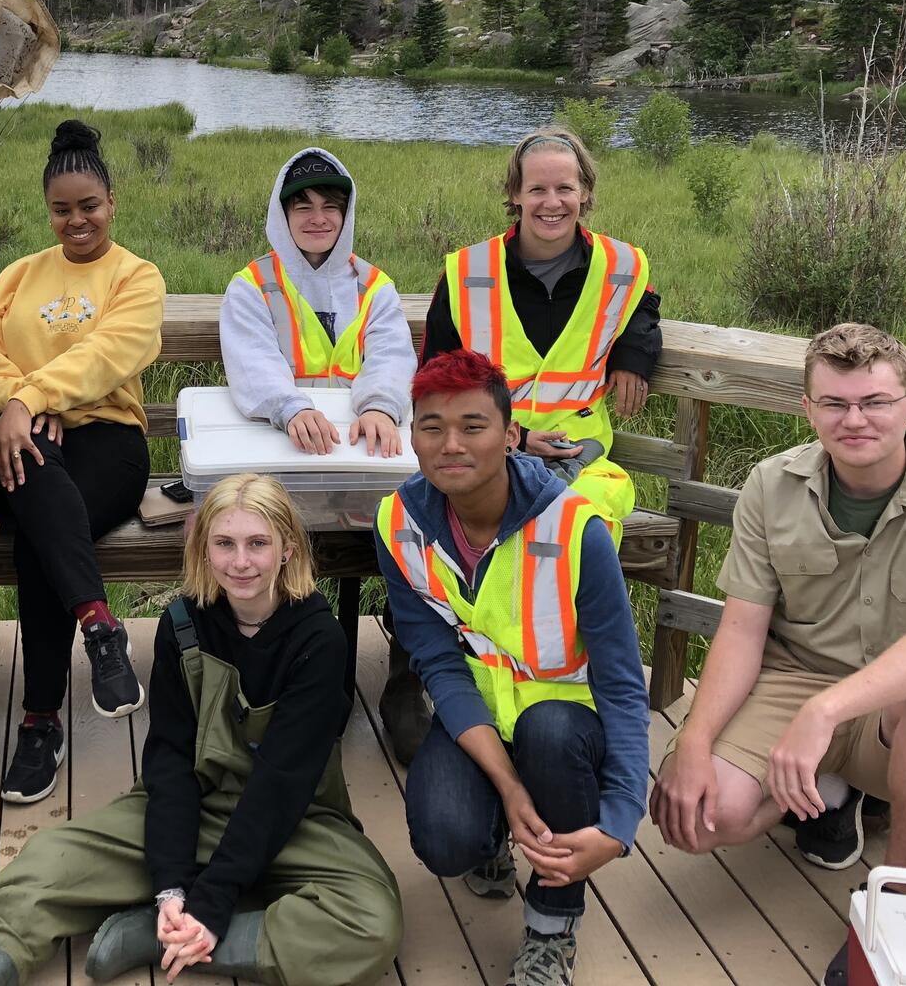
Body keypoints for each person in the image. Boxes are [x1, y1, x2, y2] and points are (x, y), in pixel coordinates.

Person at [0, 472, 403, 986]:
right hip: (190, 806)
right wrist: (170, 885)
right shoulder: (183, 623)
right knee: (45, 865)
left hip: (295, 819)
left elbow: (282, 782)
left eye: (258, 543)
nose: (241, 561)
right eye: (224, 543)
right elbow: (169, 758)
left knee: (371, 923)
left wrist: (211, 904)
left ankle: (155, 935)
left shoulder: (319, 639)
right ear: (203, 549)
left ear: (287, 550)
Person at [649, 323, 906, 986]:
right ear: (807, 409)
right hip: (797, 678)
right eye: (834, 404)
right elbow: (744, 630)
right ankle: (828, 792)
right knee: (695, 817)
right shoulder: (772, 484)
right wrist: (694, 741)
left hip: (904, 702)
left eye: (875, 402)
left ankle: (889, 918)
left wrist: (827, 713)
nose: (855, 419)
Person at [377, 348, 649, 986]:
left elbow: (620, 681)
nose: (451, 445)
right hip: (480, 712)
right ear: (411, 435)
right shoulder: (398, 523)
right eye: (431, 426)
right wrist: (508, 786)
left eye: (473, 426)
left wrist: (620, 819)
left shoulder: (577, 527)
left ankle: (553, 926)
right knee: (444, 839)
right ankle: (494, 832)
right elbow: (441, 664)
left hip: (570, 718)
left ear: (508, 435)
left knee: (550, 735)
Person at [0, 120, 164, 805]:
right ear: (47, 209)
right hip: (20, 437)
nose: (76, 221)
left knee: (38, 534)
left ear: (113, 200)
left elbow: (112, 354)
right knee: (32, 477)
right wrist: (19, 405)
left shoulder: (137, 276)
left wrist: (33, 396)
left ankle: (40, 722)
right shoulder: (19, 275)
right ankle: (99, 629)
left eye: (89, 206)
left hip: (106, 440)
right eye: (61, 209)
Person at [221, 146, 426, 764]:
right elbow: (252, 360)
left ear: (347, 214)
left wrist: (382, 406)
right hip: (287, 465)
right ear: (281, 214)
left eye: (330, 206)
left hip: (367, 464)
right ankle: (287, 678)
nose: (316, 217)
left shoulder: (376, 285)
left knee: (424, 529)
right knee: (268, 547)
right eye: (302, 205)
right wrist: (291, 407)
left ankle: (405, 680)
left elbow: (391, 354)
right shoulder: (252, 284)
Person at [420, 127, 660, 536]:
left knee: (581, 524)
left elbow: (644, 302)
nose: (552, 203)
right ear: (515, 194)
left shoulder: (622, 265)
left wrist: (633, 353)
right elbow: (433, 385)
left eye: (565, 187)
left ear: (585, 192)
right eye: (537, 190)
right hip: (489, 454)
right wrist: (518, 438)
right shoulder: (467, 273)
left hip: (585, 459)